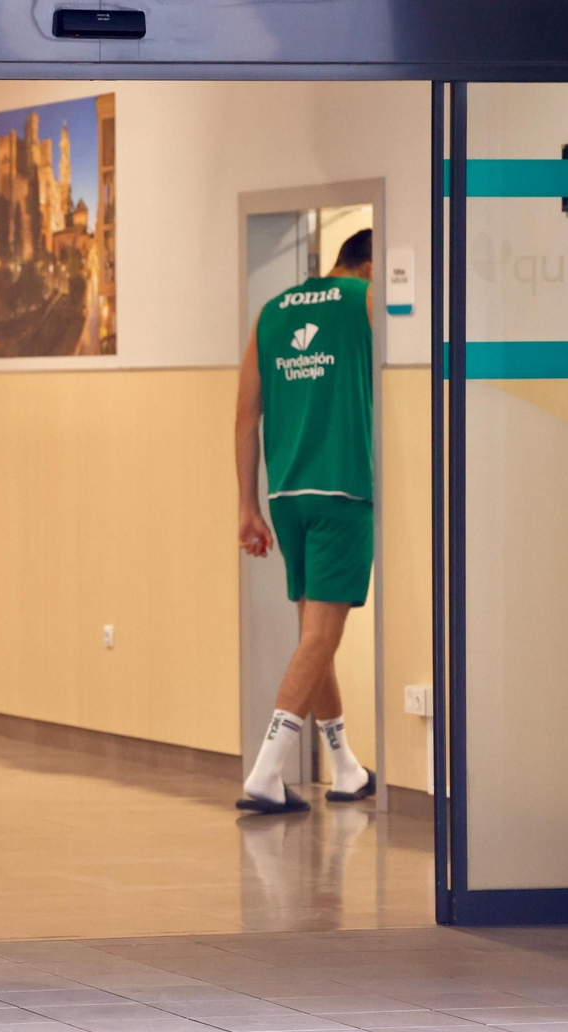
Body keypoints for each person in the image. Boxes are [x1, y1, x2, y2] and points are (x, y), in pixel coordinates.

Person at [236, 228, 379, 814]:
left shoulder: (271, 312)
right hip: (343, 487)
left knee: (311, 635)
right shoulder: (364, 301)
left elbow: (246, 417)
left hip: (287, 494)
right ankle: (266, 772)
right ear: (368, 266)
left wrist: (247, 505)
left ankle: (344, 765)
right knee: (322, 636)